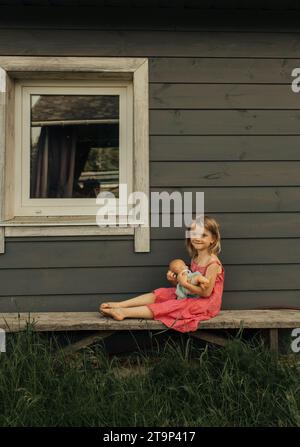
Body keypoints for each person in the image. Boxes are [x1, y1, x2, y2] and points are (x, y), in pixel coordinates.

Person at [99, 215, 225, 333]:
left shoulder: (213, 263)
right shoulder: (195, 258)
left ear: (213, 239)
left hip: (206, 304)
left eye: (203, 235)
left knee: (172, 305)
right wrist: (175, 282)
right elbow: (191, 283)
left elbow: (206, 293)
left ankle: (124, 312)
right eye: (194, 234)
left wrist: (184, 284)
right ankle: (121, 304)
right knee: (162, 292)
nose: (197, 238)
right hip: (193, 296)